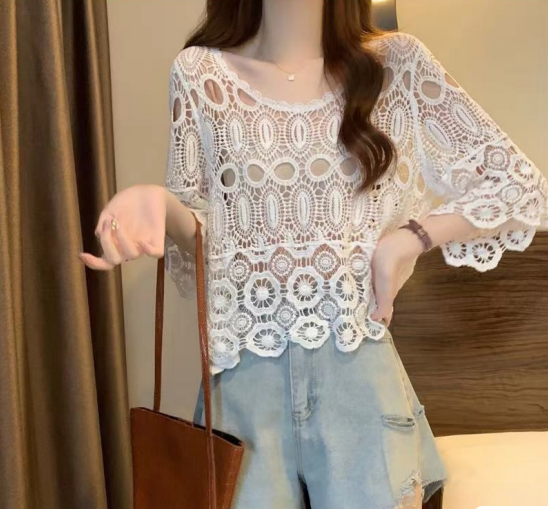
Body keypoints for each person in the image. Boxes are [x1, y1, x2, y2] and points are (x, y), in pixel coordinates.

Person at [78, 1, 548, 507]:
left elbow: (520, 187)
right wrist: (159, 203)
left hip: (358, 381)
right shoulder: (200, 74)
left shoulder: (396, 66)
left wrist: (408, 238)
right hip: (243, 391)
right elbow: (211, 238)